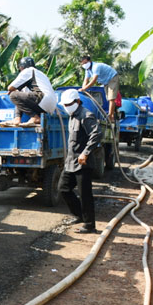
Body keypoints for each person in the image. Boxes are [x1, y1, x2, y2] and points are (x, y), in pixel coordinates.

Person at [58, 89, 102, 234]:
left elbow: (96, 134)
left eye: (69, 104)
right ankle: (79, 215)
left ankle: (90, 225)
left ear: (77, 102)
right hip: (71, 161)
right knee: (63, 188)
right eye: (64, 105)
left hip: (83, 162)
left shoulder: (86, 115)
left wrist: (86, 152)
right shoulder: (72, 116)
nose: (66, 107)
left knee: (85, 195)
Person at [2, 57, 57, 127]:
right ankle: (17, 119)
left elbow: (10, 87)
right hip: (51, 105)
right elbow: (22, 96)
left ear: (21, 67)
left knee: (13, 95)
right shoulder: (41, 74)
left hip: (42, 98)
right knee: (19, 95)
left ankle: (35, 118)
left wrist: (12, 90)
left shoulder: (28, 71)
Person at [79, 55, 119, 121]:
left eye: (85, 63)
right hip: (105, 81)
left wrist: (84, 88)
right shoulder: (88, 70)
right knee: (108, 98)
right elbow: (85, 80)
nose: (84, 65)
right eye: (83, 64)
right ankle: (114, 111)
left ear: (90, 61)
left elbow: (93, 80)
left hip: (112, 77)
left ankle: (111, 116)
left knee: (111, 97)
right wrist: (82, 89)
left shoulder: (96, 67)